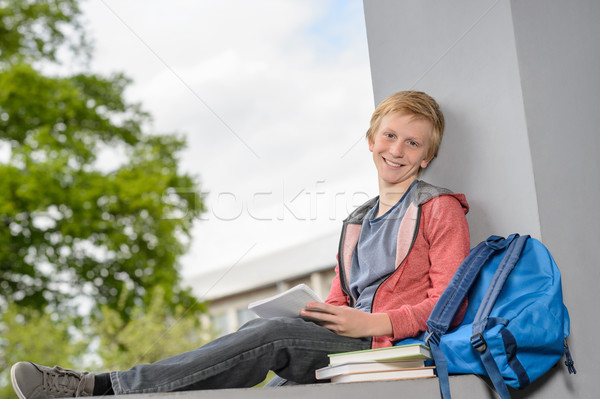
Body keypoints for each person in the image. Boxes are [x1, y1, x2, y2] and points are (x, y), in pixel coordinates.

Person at [10, 91, 470, 398]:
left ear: (426, 156)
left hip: (393, 349)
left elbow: (449, 303)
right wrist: (313, 312)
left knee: (268, 340)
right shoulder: (356, 221)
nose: (398, 149)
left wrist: (374, 321)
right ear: (371, 141)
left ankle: (101, 387)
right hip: (347, 342)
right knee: (266, 359)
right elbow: (338, 300)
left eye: (413, 144)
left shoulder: (439, 208)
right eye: (390, 136)